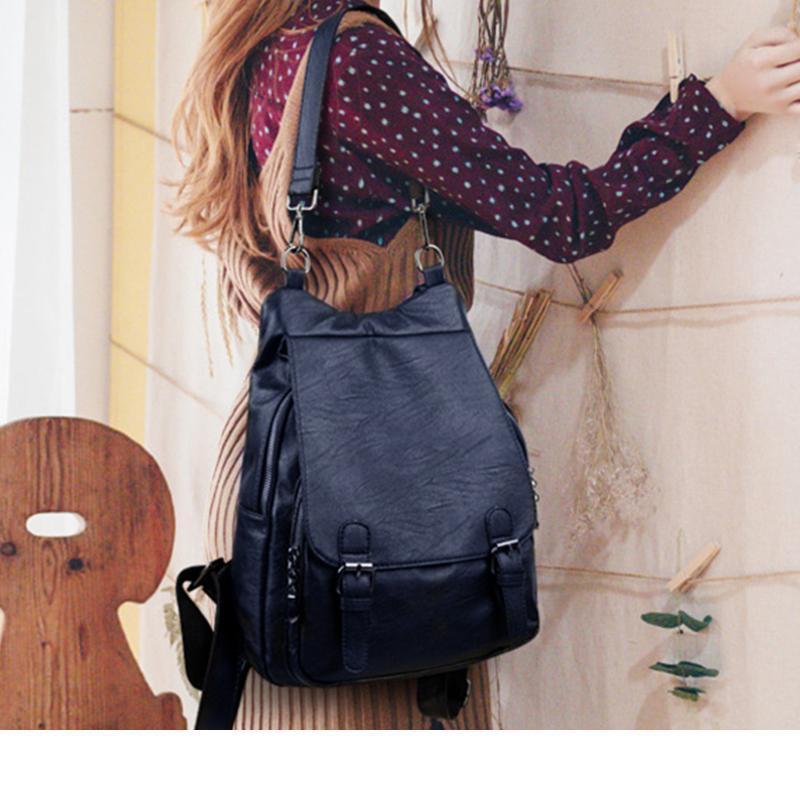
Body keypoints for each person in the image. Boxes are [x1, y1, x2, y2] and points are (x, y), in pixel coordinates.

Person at [168, 0, 800, 729]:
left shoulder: (261, 41)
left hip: (276, 467)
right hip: (363, 500)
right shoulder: (356, 60)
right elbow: (565, 217)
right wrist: (720, 103)